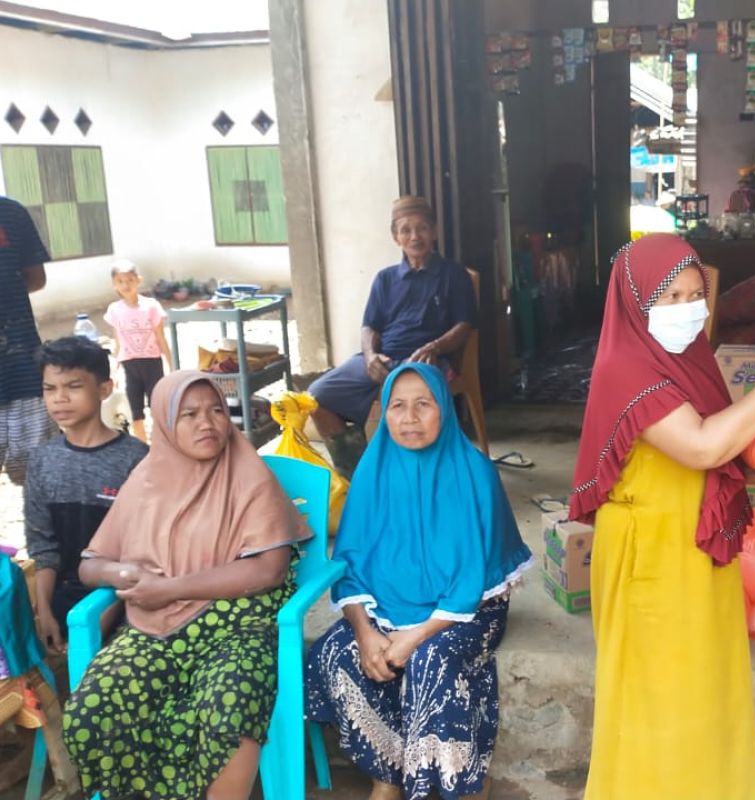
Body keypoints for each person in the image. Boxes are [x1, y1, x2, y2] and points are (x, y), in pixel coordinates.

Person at [570, 234, 755, 799]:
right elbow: (705, 447)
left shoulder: (689, 360)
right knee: (654, 705)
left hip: (694, 548)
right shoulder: (627, 369)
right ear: (636, 304)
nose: (689, 310)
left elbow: (733, 437)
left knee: (706, 693)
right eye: (671, 298)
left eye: (694, 295)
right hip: (650, 558)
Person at [63, 371, 309, 800]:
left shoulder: (247, 473)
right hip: (151, 628)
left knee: (228, 708)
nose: (207, 423)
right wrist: (120, 574)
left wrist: (171, 588)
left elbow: (268, 570)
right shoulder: (145, 481)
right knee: (92, 709)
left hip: (239, 628)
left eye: (216, 410)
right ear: (163, 422)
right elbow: (90, 565)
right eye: (189, 414)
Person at [305, 363, 532, 800]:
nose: (409, 418)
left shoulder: (473, 474)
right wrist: (365, 632)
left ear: (444, 411)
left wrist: (411, 639)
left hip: (467, 611)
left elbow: (470, 583)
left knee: (431, 662)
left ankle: (458, 786)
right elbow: (348, 563)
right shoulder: (372, 474)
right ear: (384, 414)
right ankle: (388, 775)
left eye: (423, 405)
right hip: (387, 607)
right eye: (398, 406)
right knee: (336, 653)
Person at [309, 196, 477, 476]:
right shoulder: (385, 279)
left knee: (416, 402)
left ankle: (428, 474)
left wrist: (435, 346)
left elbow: (464, 325)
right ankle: (361, 475)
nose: (415, 237)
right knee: (317, 396)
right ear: (395, 237)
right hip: (383, 358)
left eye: (422, 228)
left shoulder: (453, 274)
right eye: (406, 230)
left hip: (426, 360)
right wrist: (370, 355)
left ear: (434, 232)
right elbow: (369, 326)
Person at [25, 337, 148, 655]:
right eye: (50, 389)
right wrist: (45, 614)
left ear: (105, 389)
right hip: (64, 600)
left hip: (126, 601)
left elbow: (144, 554)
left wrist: (95, 624)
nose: (59, 399)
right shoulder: (42, 461)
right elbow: (44, 549)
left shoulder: (136, 460)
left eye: (73, 386)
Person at [0, 195, 56, 486]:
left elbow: (36, 278)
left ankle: (42, 532)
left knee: (34, 474)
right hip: (20, 364)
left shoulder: (10, 212)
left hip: (21, 369)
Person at [103, 258, 172, 442]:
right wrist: (115, 372)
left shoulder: (151, 306)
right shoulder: (114, 310)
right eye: (120, 281)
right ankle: (142, 448)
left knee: (158, 408)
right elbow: (118, 341)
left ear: (138, 280)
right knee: (135, 411)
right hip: (129, 365)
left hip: (152, 362)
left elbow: (160, 337)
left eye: (130, 280)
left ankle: (161, 445)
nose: (126, 285)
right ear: (114, 284)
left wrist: (172, 365)